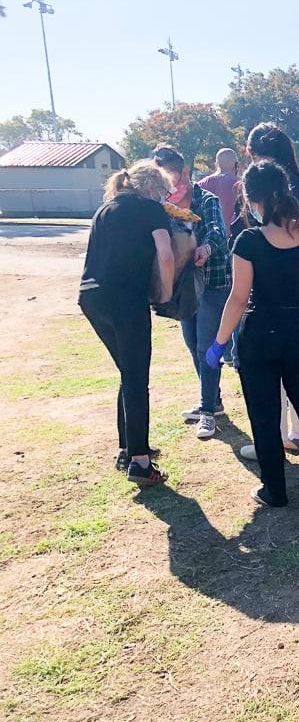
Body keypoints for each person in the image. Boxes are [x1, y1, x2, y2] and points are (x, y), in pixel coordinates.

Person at [205, 160, 299, 507]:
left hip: (260, 331)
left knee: (264, 411)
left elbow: (238, 298)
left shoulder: (249, 240)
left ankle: (275, 489)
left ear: (252, 199)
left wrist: (218, 342)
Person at [79, 160, 175, 486]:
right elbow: (165, 254)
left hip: (91, 297)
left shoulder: (106, 209)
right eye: (164, 191)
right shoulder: (150, 209)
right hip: (126, 300)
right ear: (151, 186)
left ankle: (128, 447)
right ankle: (140, 461)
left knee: (128, 372)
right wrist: (167, 293)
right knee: (137, 378)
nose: (165, 198)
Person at [236, 123, 299, 458]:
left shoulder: (271, 199)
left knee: (271, 386)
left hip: (270, 310)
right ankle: (297, 437)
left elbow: (241, 292)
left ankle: (277, 442)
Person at [151, 145, 231, 439]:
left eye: (171, 175)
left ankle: (207, 411)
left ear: (184, 171)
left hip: (212, 280)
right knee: (190, 341)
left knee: (205, 345)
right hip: (183, 284)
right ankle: (213, 398)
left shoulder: (205, 199)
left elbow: (219, 233)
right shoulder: (161, 205)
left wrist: (205, 249)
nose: (169, 183)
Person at [197, 148, 240, 238]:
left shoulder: (201, 185)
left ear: (217, 164)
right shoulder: (241, 185)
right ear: (236, 164)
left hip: (207, 241)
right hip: (233, 238)